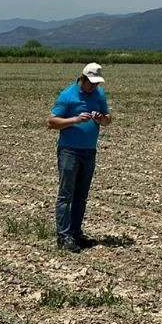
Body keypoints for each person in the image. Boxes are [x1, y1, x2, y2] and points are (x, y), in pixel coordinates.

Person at [47, 61, 113, 252]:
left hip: (89, 151)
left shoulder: (99, 94)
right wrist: (75, 119)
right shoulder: (68, 95)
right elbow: (51, 122)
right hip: (69, 151)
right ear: (82, 78)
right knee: (66, 195)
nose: (94, 86)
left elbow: (108, 120)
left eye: (96, 83)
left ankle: (76, 233)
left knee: (81, 196)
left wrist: (102, 119)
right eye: (91, 83)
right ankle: (64, 236)